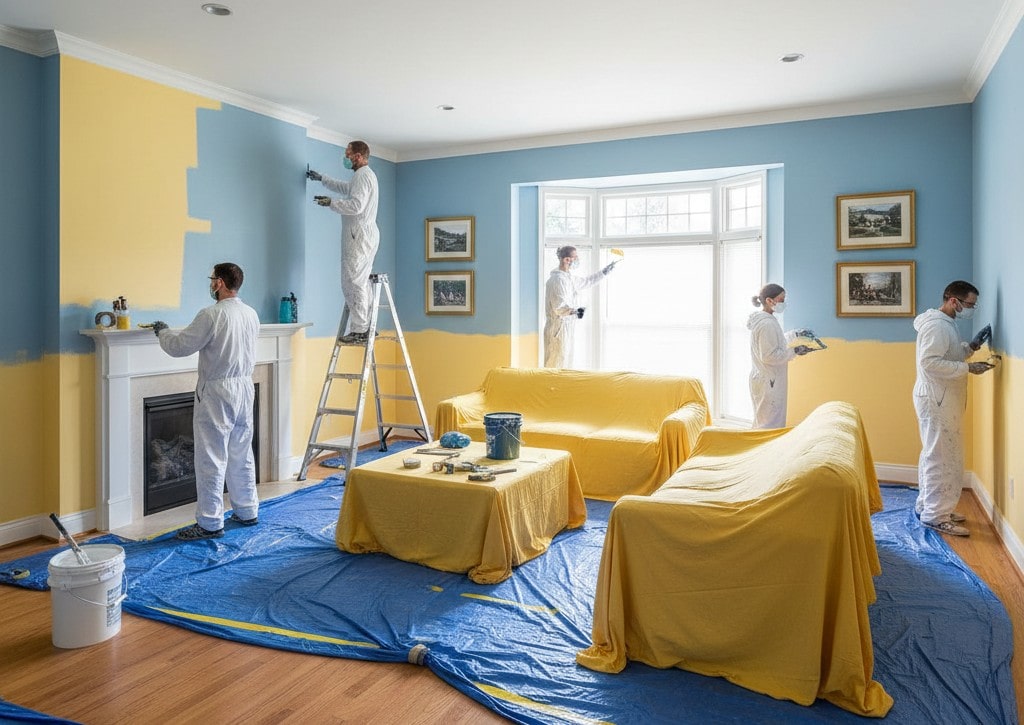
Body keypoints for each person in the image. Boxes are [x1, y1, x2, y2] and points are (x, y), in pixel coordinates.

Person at [150, 263, 261, 540]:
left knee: (211, 456)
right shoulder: (251, 314)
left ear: (220, 283)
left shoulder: (211, 315)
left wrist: (162, 332)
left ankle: (210, 523)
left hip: (217, 391)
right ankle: (247, 510)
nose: (211, 283)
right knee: (241, 450)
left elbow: (180, 347)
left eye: (213, 279)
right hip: (245, 387)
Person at [913, 280, 993, 537]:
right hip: (937, 399)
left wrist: (969, 349)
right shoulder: (937, 325)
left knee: (935, 452)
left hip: (938, 397)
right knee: (941, 455)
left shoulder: (944, 323)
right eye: (969, 304)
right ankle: (935, 516)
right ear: (953, 300)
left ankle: (929, 505)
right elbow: (930, 362)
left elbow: (946, 354)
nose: (970, 309)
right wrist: (967, 368)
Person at [307, 141, 380, 345]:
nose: (345, 158)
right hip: (364, 234)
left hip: (358, 234)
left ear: (358, 156)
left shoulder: (363, 176)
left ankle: (360, 330)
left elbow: (356, 205)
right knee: (361, 281)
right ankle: (368, 327)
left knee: (352, 281)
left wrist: (331, 203)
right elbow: (346, 188)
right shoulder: (363, 176)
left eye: (347, 154)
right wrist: (323, 179)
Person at [747, 283, 814, 429]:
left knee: (764, 423)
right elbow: (769, 356)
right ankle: (766, 452)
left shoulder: (766, 321)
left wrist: (795, 334)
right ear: (770, 301)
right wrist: (795, 351)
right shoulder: (766, 324)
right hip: (769, 382)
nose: (784, 303)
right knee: (768, 426)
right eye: (781, 300)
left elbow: (776, 343)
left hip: (765, 379)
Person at [543, 246, 617, 368]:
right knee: (555, 363)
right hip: (557, 329)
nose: (578, 259)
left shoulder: (568, 278)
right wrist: (575, 311)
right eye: (575, 257)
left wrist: (604, 272)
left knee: (566, 361)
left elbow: (587, 281)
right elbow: (559, 307)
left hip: (565, 327)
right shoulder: (557, 280)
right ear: (567, 260)